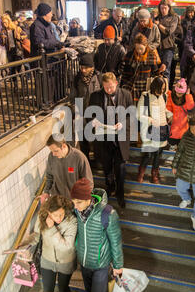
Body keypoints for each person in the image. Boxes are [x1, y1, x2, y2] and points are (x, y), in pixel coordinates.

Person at [70, 178, 124, 292]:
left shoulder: (107, 213)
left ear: (88, 199)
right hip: (84, 260)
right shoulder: (76, 211)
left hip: (101, 262)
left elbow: (116, 241)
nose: (75, 206)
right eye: (73, 202)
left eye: (79, 202)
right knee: (89, 290)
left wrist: (118, 265)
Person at [19, 195, 77, 292]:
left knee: (63, 290)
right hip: (47, 260)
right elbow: (37, 235)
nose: (59, 218)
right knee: (47, 291)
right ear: (49, 213)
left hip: (65, 262)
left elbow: (66, 246)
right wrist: (24, 244)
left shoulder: (71, 221)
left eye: (61, 214)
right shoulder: (42, 218)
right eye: (55, 215)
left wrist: (51, 228)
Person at [89, 72, 133, 208]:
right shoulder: (95, 96)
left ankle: (120, 193)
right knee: (107, 167)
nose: (108, 90)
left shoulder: (126, 94)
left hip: (120, 139)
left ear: (116, 84)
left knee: (120, 168)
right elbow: (90, 115)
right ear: (102, 85)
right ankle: (110, 187)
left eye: (111, 87)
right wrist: (93, 122)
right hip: (103, 139)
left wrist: (122, 124)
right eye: (106, 87)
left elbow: (131, 115)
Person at [137, 76, 172, 184]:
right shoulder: (145, 96)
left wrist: (169, 114)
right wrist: (150, 120)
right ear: (154, 87)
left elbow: (163, 109)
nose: (161, 91)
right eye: (160, 89)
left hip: (162, 129)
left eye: (163, 89)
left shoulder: (164, 96)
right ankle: (141, 173)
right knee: (148, 154)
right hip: (150, 129)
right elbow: (139, 114)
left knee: (158, 154)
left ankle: (154, 174)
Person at [40, 135, 93, 203]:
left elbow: (88, 183)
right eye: (52, 151)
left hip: (74, 201)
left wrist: (80, 201)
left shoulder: (79, 157)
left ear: (64, 146)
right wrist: (46, 192)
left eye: (56, 151)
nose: (53, 154)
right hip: (58, 200)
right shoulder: (51, 156)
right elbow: (50, 176)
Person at [69, 52, 102, 159]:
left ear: (91, 67)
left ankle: (98, 158)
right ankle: (86, 160)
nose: (83, 70)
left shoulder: (99, 77)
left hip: (95, 114)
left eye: (86, 68)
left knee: (96, 138)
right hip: (81, 113)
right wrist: (75, 110)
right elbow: (73, 96)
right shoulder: (77, 78)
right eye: (81, 68)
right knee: (83, 139)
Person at [121, 33, 163, 103]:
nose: (139, 51)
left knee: (143, 110)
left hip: (145, 88)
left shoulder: (152, 56)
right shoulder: (129, 56)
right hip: (131, 87)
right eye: (137, 48)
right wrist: (122, 86)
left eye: (141, 49)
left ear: (146, 46)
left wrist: (160, 70)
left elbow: (155, 73)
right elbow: (125, 73)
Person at [166, 78, 195, 150]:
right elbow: (168, 107)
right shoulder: (170, 96)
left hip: (184, 127)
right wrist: (169, 115)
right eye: (177, 93)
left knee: (183, 149)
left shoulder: (187, 97)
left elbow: (190, 107)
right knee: (172, 146)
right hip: (173, 125)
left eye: (181, 93)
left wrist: (188, 95)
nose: (179, 95)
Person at [154, 0, 178, 84]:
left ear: (169, 8)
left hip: (168, 47)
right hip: (157, 47)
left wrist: (159, 25)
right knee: (156, 71)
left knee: (166, 71)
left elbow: (169, 31)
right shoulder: (156, 18)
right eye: (161, 8)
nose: (163, 10)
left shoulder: (173, 18)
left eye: (165, 8)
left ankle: (165, 92)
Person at [0, 13, 27, 87]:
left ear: (9, 22)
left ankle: (23, 85)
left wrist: (20, 37)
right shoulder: (3, 31)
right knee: (12, 70)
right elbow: (1, 44)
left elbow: (25, 35)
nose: (4, 24)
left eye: (5, 22)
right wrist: (2, 39)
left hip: (18, 51)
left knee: (20, 69)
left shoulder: (16, 28)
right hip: (9, 52)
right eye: (3, 23)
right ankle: (15, 86)